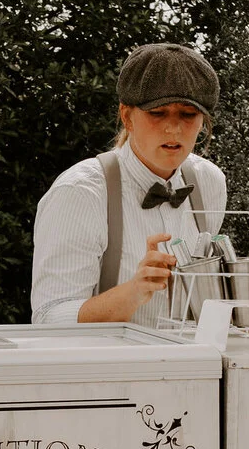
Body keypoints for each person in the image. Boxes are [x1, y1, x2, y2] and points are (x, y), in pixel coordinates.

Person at [30, 44, 228, 328]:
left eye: (187, 115)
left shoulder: (210, 183)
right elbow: (49, 319)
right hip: (111, 371)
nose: (173, 129)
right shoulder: (80, 192)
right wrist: (133, 293)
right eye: (158, 113)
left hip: (190, 368)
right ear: (127, 116)